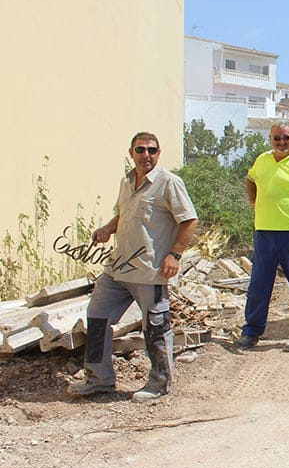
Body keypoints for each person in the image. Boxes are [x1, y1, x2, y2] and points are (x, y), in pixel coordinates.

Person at [68, 132, 197, 402]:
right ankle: (98, 379)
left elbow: (189, 220)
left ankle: (160, 383)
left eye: (151, 150)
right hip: (119, 267)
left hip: (150, 272)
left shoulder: (168, 183)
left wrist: (175, 255)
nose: (146, 155)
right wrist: (106, 229)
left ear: (159, 153)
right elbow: (122, 215)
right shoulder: (127, 182)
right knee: (98, 315)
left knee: (156, 325)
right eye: (141, 150)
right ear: (131, 153)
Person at [235, 120, 289, 351]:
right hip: (264, 233)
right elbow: (250, 180)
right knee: (259, 285)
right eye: (277, 138)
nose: (282, 142)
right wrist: (254, 202)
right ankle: (251, 332)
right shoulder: (262, 160)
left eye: (286, 138)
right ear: (270, 139)